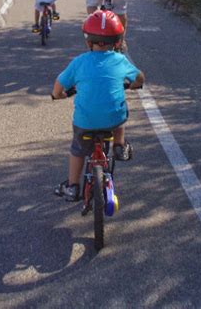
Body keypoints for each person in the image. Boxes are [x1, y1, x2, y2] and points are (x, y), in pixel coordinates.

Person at [52, 10, 145, 202]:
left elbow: (58, 86)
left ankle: (72, 186)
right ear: (118, 42)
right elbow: (139, 78)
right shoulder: (120, 60)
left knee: (78, 151)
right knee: (120, 111)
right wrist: (133, 85)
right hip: (112, 120)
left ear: (88, 41)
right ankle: (119, 145)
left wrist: (58, 95)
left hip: (85, 122)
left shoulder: (79, 62)